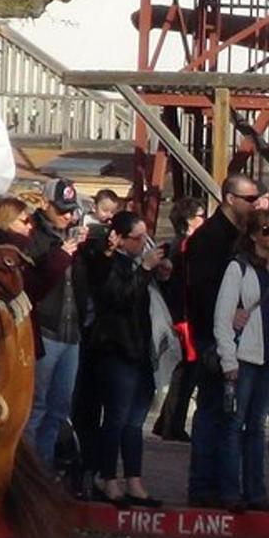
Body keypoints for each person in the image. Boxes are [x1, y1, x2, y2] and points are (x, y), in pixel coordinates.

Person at [184, 173, 265, 507]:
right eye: (250, 199)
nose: (255, 204)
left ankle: (215, 483)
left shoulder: (238, 236)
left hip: (235, 337)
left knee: (226, 412)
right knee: (213, 411)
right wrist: (224, 319)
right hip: (214, 337)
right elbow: (201, 289)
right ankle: (203, 487)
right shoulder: (210, 238)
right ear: (230, 198)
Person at [213, 210, 269, 512]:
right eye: (266, 230)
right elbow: (223, 318)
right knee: (235, 424)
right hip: (245, 356)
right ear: (252, 235)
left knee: (257, 426)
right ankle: (230, 491)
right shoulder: (238, 268)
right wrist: (228, 361)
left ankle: (256, 492)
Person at [89, 211, 167, 507]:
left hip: (140, 349)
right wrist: (144, 270)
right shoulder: (108, 263)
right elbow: (117, 297)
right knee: (116, 418)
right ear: (119, 239)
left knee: (135, 421)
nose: (142, 244)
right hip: (116, 348)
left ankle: (134, 479)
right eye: (137, 239)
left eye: (146, 238)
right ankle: (108, 478)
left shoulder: (137, 265)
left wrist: (160, 273)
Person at [24, 178, 88, 467]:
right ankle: (27, 473)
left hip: (71, 333)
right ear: (46, 205)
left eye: (71, 210)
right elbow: (34, 283)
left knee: (58, 410)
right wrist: (61, 253)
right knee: (35, 408)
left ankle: (45, 470)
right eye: (62, 209)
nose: (68, 216)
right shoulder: (34, 236)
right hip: (45, 330)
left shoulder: (75, 237)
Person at [152, 197, 206, 442]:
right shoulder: (186, 246)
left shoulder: (177, 245)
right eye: (200, 216)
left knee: (184, 371)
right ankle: (173, 423)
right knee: (187, 372)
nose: (203, 220)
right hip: (184, 315)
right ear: (188, 220)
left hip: (181, 313)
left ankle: (167, 421)